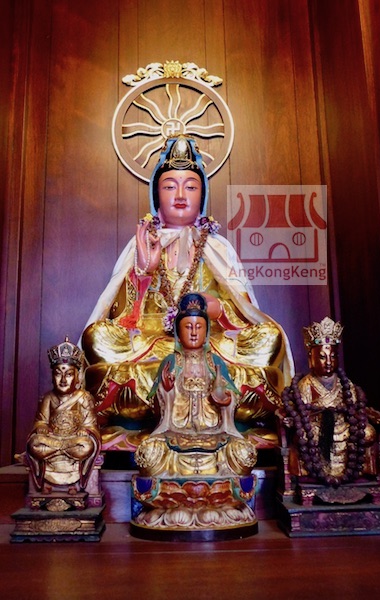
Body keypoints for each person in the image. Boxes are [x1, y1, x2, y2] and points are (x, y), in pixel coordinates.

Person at [81, 135, 294, 449]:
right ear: (157, 195)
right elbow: (121, 318)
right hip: (153, 346)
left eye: (191, 187)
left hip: (212, 346)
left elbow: (246, 313)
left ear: (202, 195)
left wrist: (219, 310)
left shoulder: (218, 247)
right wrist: (144, 272)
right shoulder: (141, 244)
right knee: (97, 337)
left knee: (268, 338)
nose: (180, 195)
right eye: (170, 187)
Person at [134, 293, 257, 477]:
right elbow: (156, 410)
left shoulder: (215, 362)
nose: (193, 332)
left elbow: (232, 396)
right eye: (188, 327)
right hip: (175, 432)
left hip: (214, 433)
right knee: (150, 453)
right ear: (178, 333)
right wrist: (166, 391)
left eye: (199, 327)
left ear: (206, 333)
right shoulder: (170, 362)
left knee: (242, 453)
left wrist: (225, 400)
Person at [281, 317, 380, 486]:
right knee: (304, 436)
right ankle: (315, 475)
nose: (329, 362)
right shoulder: (306, 384)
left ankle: (362, 473)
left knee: (368, 433)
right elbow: (302, 412)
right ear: (311, 359)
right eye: (322, 357)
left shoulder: (345, 383)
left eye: (333, 356)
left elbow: (354, 407)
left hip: (344, 426)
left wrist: (361, 415)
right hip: (316, 428)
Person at [26, 337, 101, 492]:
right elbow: (40, 421)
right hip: (54, 439)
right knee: (34, 443)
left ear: (77, 377)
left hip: (73, 440)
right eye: (58, 374)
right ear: (52, 377)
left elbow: (91, 425)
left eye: (69, 374)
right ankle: (53, 470)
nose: (63, 380)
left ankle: (70, 475)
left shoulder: (84, 398)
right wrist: (41, 427)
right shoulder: (48, 398)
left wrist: (85, 430)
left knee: (86, 444)